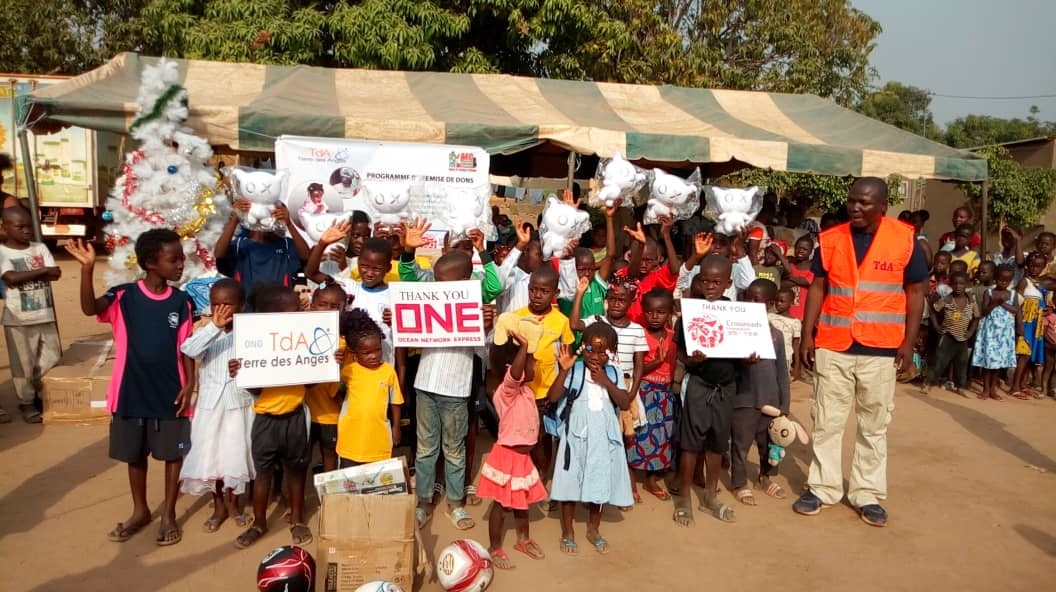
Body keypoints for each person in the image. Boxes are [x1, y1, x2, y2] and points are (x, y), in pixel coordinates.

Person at [795, 177, 926, 528]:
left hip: (881, 348)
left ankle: (866, 493)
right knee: (826, 421)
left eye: (865, 202)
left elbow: (916, 292)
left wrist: (908, 342)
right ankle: (823, 488)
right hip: (834, 345)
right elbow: (818, 286)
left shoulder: (904, 239)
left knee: (873, 425)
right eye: (853, 201)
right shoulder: (831, 239)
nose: (856, 207)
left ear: (882, 205)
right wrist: (808, 335)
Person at [66, 232, 196, 546]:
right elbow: (89, 308)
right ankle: (140, 511)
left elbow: (187, 348)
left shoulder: (182, 301)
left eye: (182, 257)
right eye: (173, 259)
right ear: (151, 263)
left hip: (171, 393)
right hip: (130, 391)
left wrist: (190, 384)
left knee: (172, 456)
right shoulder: (123, 297)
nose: (181, 264)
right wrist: (86, 270)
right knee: (134, 455)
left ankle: (169, 514)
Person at [673, 254, 757, 527]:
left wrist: (749, 358)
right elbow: (682, 356)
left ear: (728, 283)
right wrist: (691, 360)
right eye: (705, 280)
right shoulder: (690, 314)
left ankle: (710, 495)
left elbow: (743, 353)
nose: (710, 286)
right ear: (699, 281)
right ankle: (684, 498)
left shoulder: (737, 314)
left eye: (716, 282)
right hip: (699, 384)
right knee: (690, 443)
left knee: (717, 443)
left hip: (726, 387)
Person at [229, 284, 313, 549]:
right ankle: (259, 522)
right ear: (272, 317)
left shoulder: (302, 339)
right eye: (293, 311)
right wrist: (241, 372)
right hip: (265, 420)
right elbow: (254, 388)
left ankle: (298, 519)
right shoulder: (253, 345)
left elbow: (309, 383)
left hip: (296, 415)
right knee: (262, 475)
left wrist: (325, 361)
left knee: (297, 470)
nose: (299, 313)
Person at [413, 251, 486, 531]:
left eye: (446, 281)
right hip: (425, 383)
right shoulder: (429, 300)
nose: (440, 286)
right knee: (425, 448)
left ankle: (455, 504)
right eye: (437, 280)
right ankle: (424, 501)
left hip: (456, 388)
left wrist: (485, 324)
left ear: (466, 280)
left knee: (454, 449)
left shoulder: (475, 306)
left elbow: (482, 350)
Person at [547, 323, 634, 555]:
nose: (594, 356)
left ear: (612, 353)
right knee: (569, 483)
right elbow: (553, 397)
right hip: (575, 438)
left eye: (601, 352)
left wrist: (605, 381)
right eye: (589, 349)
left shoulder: (613, 373)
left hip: (603, 439)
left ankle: (593, 529)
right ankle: (568, 531)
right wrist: (563, 369)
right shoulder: (574, 371)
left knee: (599, 480)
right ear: (581, 348)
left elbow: (625, 403)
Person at [177, 279, 255, 532]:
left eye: (228, 304)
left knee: (235, 455)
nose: (222, 310)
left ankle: (235, 504)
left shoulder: (250, 333)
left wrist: (242, 370)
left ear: (241, 305)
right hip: (210, 405)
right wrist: (214, 328)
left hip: (238, 405)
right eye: (216, 304)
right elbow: (189, 349)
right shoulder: (205, 329)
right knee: (211, 457)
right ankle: (218, 504)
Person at [568, 279, 648, 505]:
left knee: (622, 437)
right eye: (611, 299)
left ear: (632, 301)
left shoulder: (637, 330)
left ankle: (623, 482)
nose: (615, 303)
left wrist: (632, 394)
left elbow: (639, 364)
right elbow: (574, 324)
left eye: (622, 299)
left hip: (623, 387)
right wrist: (580, 293)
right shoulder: (597, 320)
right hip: (594, 385)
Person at [477, 330, 548, 569]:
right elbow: (514, 375)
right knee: (500, 504)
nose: (534, 362)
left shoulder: (526, 392)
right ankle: (494, 547)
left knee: (521, 502)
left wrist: (566, 368)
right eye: (530, 359)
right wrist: (524, 345)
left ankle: (523, 539)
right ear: (512, 366)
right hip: (506, 457)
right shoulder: (506, 392)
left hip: (522, 458)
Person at [512, 266, 575, 480]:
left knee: (543, 437)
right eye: (533, 290)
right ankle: (526, 478)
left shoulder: (561, 321)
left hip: (547, 392)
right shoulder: (516, 318)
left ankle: (542, 477)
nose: (537, 295)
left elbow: (567, 355)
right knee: (522, 438)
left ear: (555, 294)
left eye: (544, 291)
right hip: (521, 391)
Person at [0, 206, 62, 424]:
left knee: (51, 358)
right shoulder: (3, 252)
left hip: (45, 315)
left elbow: (56, 273)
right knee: (22, 364)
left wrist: (32, 273)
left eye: (29, 226)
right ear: (5, 227)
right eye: (20, 227)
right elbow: (11, 278)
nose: (27, 231)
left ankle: (37, 392)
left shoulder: (40, 247)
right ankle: (26, 402)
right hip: (18, 318)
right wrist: (43, 270)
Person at [732, 279, 791, 505]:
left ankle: (765, 477)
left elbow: (781, 372)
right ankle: (739, 483)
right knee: (741, 444)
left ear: (771, 304)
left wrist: (784, 405)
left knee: (769, 444)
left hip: (770, 400)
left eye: (758, 300)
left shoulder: (776, 335)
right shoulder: (736, 330)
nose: (751, 303)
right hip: (744, 399)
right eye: (749, 298)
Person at [626, 288, 678, 501]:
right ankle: (629, 482)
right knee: (637, 435)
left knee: (661, 437)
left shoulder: (674, 338)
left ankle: (651, 479)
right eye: (650, 312)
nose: (655, 316)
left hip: (664, 393)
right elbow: (634, 370)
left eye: (661, 312)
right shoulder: (639, 335)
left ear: (670, 313)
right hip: (643, 391)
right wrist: (656, 362)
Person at [336, 309, 403, 466]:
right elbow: (336, 393)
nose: (373, 356)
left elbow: (396, 402)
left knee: (376, 483)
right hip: (350, 437)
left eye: (377, 350)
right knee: (350, 483)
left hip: (378, 438)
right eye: (367, 353)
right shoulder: (348, 370)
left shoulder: (388, 371)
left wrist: (396, 427)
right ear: (355, 354)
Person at [214, 200, 310, 299]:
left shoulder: (286, 244)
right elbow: (219, 255)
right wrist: (235, 219)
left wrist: (289, 223)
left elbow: (306, 258)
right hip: (248, 311)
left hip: (280, 309)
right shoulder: (240, 245)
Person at [304, 285, 349, 473]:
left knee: (329, 454)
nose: (328, 310)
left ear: (342, 309)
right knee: (300, 457)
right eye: (322, 304)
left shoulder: (344, 343)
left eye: (334, 306)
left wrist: (336, 367)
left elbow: (342, 389)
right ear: (312, 306)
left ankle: (327, 499)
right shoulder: (296, 337)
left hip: (330, 413)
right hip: (302, 412)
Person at [618, 215, 681, 325]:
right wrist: (641, 246)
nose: (643, 264)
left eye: (648, 260)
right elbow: (631, 276)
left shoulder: (657, 277)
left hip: (652, 331)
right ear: (630, 256)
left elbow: (675, 270)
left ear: (656, 260)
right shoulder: (622, 273)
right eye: (640, 259)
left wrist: (666, 235)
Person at [971, 265, 1021, 401]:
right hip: (990, 332)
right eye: (1000, 280)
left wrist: (1002, 303)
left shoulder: (1013, 294)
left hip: (1004, 334)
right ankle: (985, 389)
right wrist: (994, 303)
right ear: (995, 278)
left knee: (997, 364)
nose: (1003, 283)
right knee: (988, 363)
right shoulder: (989, 292)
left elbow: (1016, 310)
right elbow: (984, 311)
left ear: (1010, 281)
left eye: (1006, 281)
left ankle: (993, 389)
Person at [927, 271, 979, 396]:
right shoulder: (947, 299)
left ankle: (961, 387)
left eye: (961, 283)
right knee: (940, 361)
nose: (958, 286)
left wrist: (971, 331)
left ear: (966, 284)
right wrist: (936, 326)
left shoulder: (971, 300)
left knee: (962, 363)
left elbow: (977, 316)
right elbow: (933, 310)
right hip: (948, 335)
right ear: (951, 285)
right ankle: (928, 383)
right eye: (955, 283)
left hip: (962, 337)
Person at [1011, 253, 1050, 399]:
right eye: (1032, 265)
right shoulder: (1024, 282)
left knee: (1029, 355)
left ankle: (1022, 385)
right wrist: (1018, 322)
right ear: (1027, 265)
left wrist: (1045, 310)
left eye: (1038, 266)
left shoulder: (1039, 284)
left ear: (1043, 267)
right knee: (1024, 354)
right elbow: (1018, 301)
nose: (1035, 269)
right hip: (1026, 322)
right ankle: (1014, 386)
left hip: (1036, 324)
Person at [496, 221, 544, 314]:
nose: (543, 259)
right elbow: (500, 282)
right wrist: (520, 246)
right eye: (539, 254)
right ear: (526, 251)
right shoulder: (510, 277)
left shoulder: (537, 279)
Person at [770, 287, 802, 378]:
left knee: (782, 382)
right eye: (776, 300)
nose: (778, 303)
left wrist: (796, 366)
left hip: (786, 357)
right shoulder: (769, 317)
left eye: (782, 301)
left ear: (791, 303)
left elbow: (795, 345)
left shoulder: (795, 322)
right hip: (770, 356)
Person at [784, 235, 815, 322]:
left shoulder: (813, 267)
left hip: (804, 309)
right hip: (788, 309)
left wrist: (791, 278)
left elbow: (807, 282)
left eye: (804, 249)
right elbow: (782, 284)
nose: (800, 251)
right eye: (798, 248)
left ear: (810, 251)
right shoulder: (790, 265)